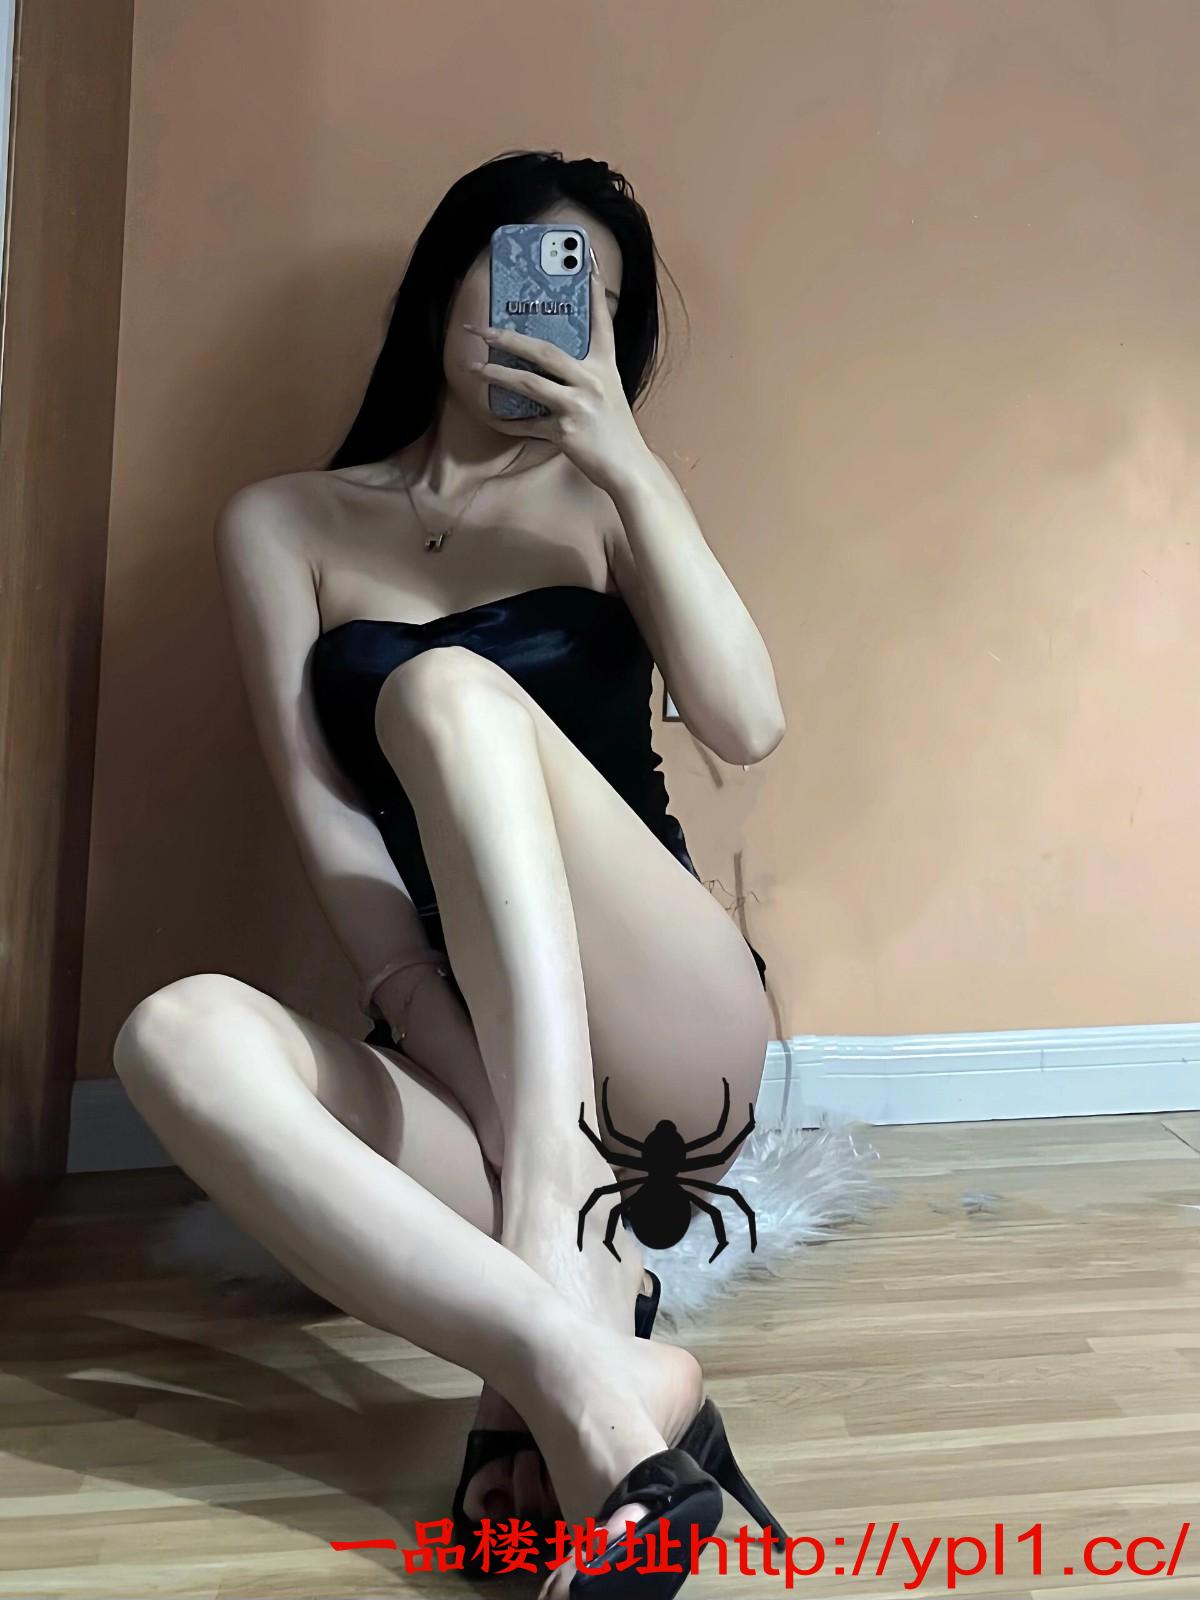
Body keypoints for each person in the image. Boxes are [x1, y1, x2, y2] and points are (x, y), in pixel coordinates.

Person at [113, 151, 787, 1597]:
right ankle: (595, 1374)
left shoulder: (606, 502)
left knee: (444, 691)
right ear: (445, 282)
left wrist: (627, 462)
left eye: (590, 301)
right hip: (455, 1026)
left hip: (664, 1034)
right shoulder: (284, 522)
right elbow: (327, 820)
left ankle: (552, 1211)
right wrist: (428, 1026)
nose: (549, 315)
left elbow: (745, 723)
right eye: (523, 272)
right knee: (172, 1034)